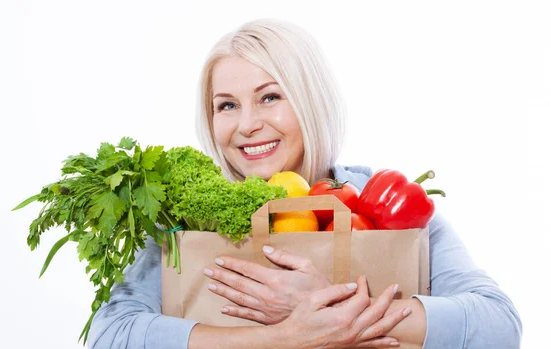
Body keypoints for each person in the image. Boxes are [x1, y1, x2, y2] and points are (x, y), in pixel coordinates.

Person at [88, 18, 522, 349]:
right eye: (226, 106)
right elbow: (110, 333)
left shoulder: (382, 201)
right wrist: (287, 336)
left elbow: (500, 325)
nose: (247, 125)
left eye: (270, 97)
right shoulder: (184, 217)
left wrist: (328, 305)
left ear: (310, 100)